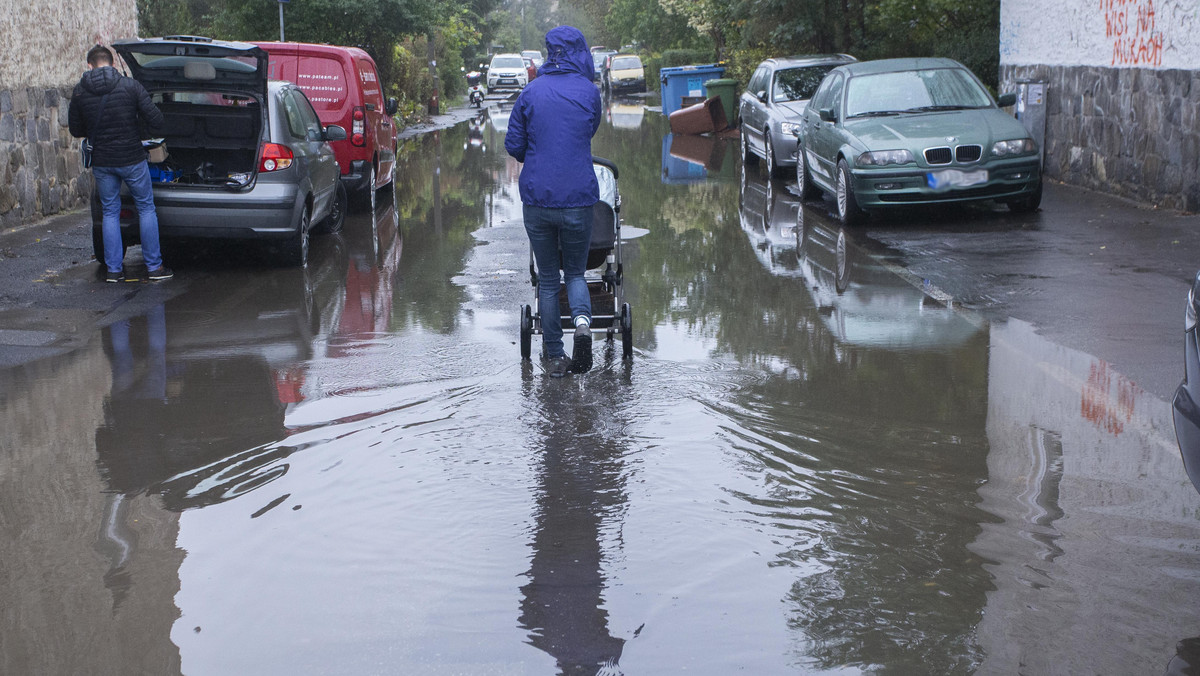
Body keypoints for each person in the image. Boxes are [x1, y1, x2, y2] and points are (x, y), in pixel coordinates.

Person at [505, 26, 602, 377]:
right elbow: (588, 130)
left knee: (548, 279)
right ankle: (582, 324)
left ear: (550, 53)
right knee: (576, 272)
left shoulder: (530, 92)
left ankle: (556, 356)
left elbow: (514, 146)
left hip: (538, 199)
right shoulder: (590, 93)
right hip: (578, 198)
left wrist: (538, 147)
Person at [69, 44, 172, 283]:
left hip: (103, 162)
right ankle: (154, 268)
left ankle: (114, 270)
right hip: (132, 159)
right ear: (113, 63)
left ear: (89, 65)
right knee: (146, 208)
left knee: (110, 212)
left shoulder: (79, 92)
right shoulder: (130, 86)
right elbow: (156, 120)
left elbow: (76, 129)